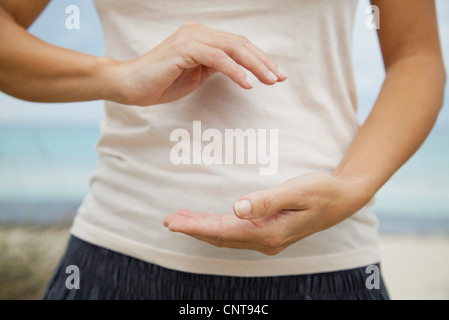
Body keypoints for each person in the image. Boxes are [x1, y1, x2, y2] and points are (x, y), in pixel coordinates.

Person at [0, 0, 445, 300]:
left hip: (331, 261)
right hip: (120, 257)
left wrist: (352, 187)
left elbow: (416, 57)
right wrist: (118, 76)